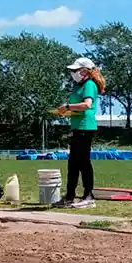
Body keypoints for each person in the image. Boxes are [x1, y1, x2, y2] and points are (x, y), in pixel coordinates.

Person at [53, 57, 107, 209]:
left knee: (84, 162)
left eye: (75, 70)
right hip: (77, 126)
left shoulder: (89, 84)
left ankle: (89, 195)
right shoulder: (78, 86)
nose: (73, 73)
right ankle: (70, 196)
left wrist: (68, 106)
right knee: (73, 164)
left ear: (85, 70)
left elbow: (87, 104)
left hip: (85, 127)